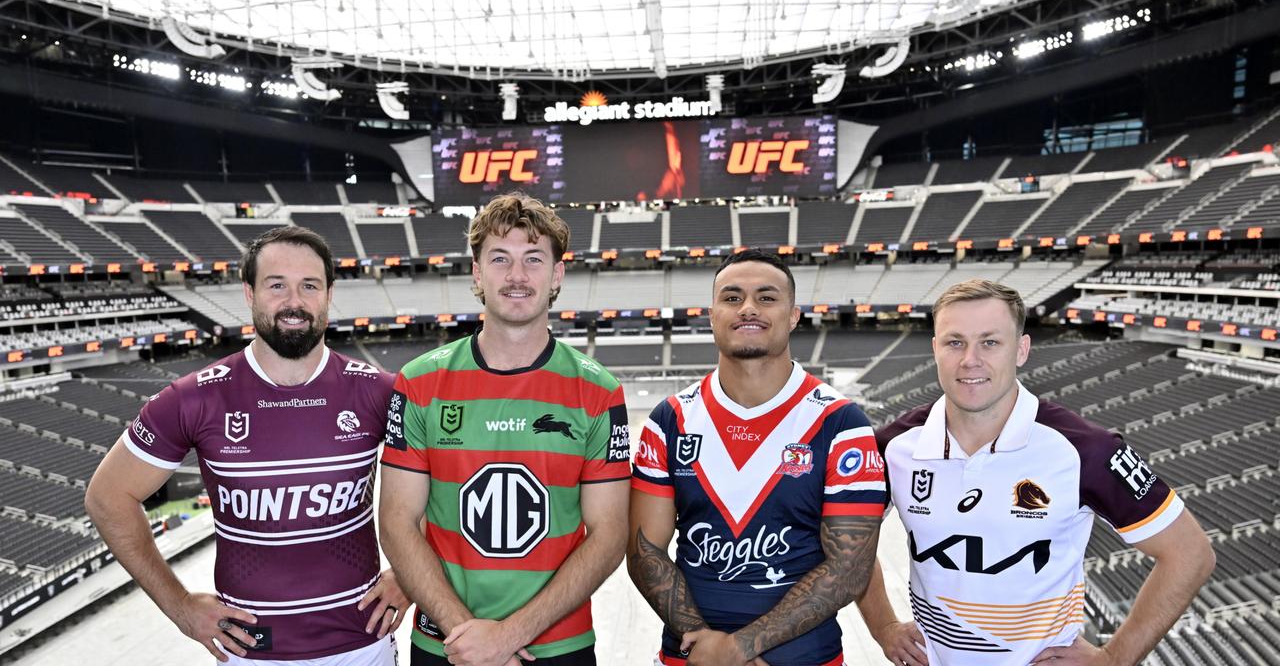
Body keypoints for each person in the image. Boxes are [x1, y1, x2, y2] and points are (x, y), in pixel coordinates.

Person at [85, 226, 410, 664]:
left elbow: (449, 481)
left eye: (309, 285)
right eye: (276, 285)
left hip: (361, 646)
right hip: (252, 652)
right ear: (249, 293)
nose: (294, 302)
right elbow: (108, 497)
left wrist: (408, 578)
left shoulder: (379, 391)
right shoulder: (193, 397)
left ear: (329, 294)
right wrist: (179, 607)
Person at [857, 279, 1216, 666]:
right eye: (954, 342)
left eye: (990, 342)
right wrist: (885, 628)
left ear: (1021, 350)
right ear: (935, 349)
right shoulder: (892, 446)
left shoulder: (1085, 449)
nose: (970, 359)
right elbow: (848, 546)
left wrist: (1113, 658)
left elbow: (1190, 552)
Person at [378, 192, 631, 666]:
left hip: (559, 647)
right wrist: (465, 633)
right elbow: (395, 522)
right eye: (500, 259)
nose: (517, 276)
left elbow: (609, 534)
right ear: (477, 273)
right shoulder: (419, 382)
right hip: (447, 644)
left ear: (557, 275)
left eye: (533, 259)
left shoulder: (599, 391)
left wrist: (509, 635)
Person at [629, 248, 884, 666]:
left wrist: (738, 649)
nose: (748, 308)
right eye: (731, 298)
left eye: (767, 297)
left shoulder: (840, 422)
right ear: (711, 314)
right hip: (691, 657)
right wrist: (705, 645)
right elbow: (645, 551)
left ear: (794, 315)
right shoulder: (670, 419)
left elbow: (850, 567)